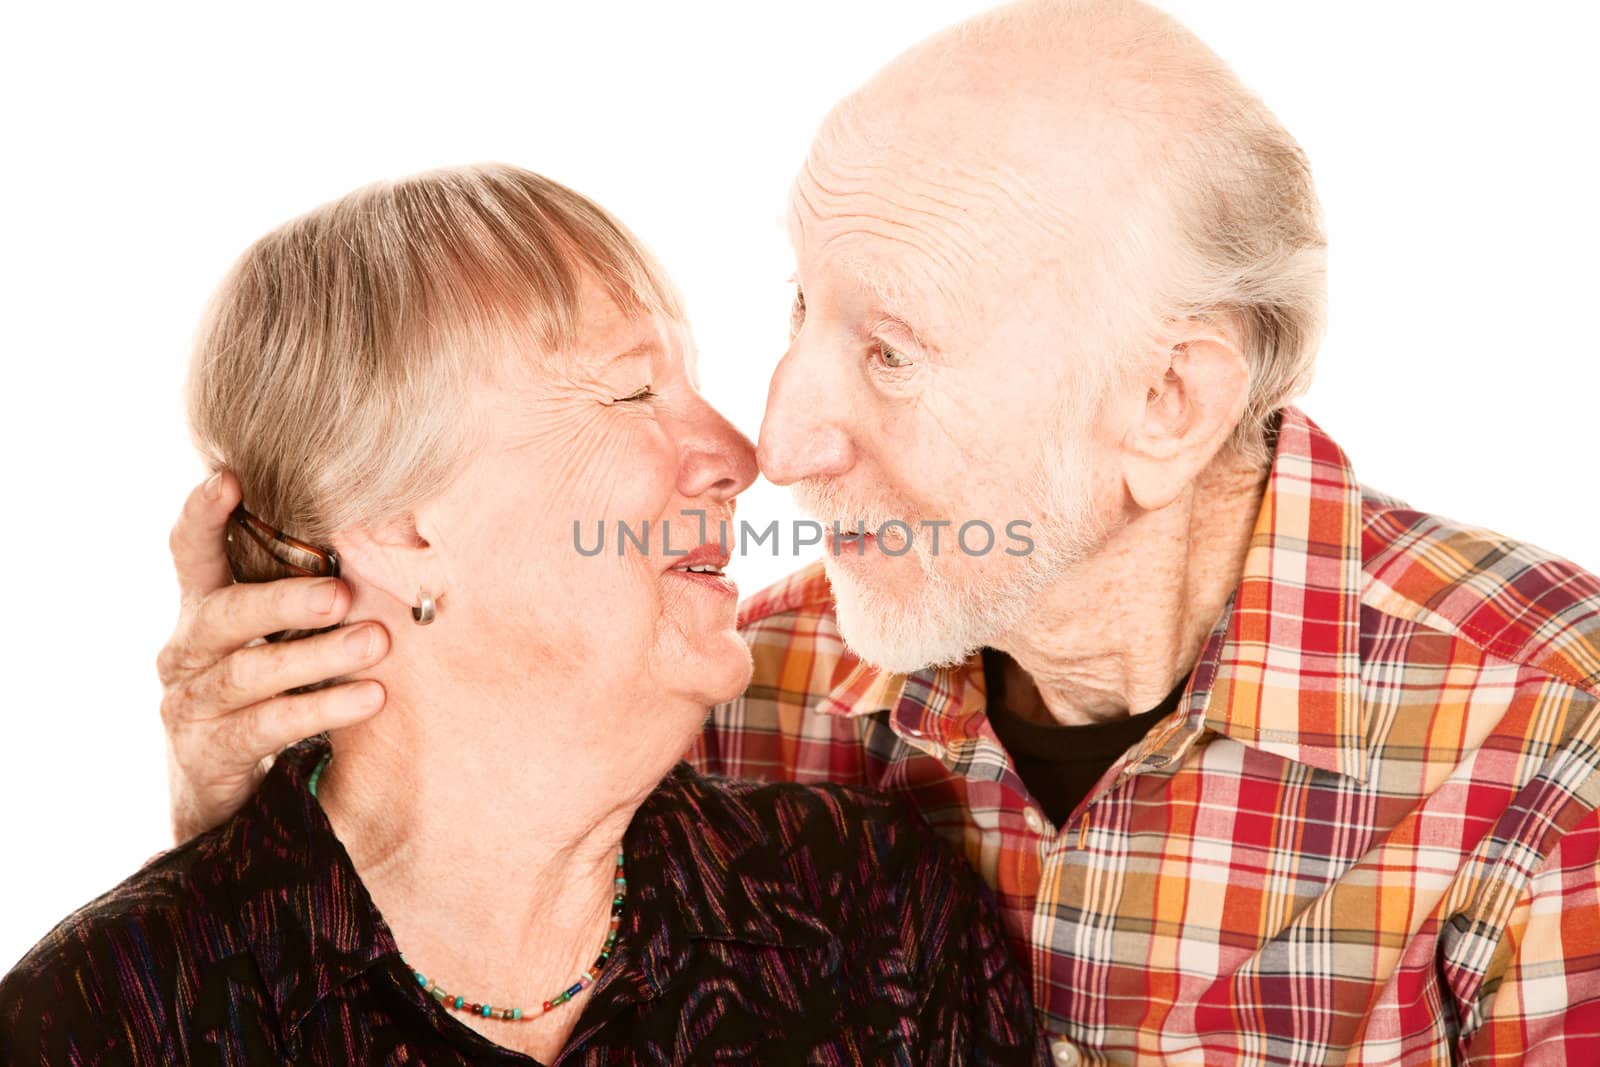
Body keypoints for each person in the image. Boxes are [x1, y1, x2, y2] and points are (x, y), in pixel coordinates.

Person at [147, 1, 1600, 1064]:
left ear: (1166, 403)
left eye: (892, 349)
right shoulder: (755, 683)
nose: (779, 445)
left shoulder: (1549, 745)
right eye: (800, 308)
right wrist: (260, 797)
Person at [0, 165, 1040, 1065]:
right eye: (634, 393)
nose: (741, 454)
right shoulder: (108, 1015)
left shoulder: (871, 914)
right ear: (397, 521)